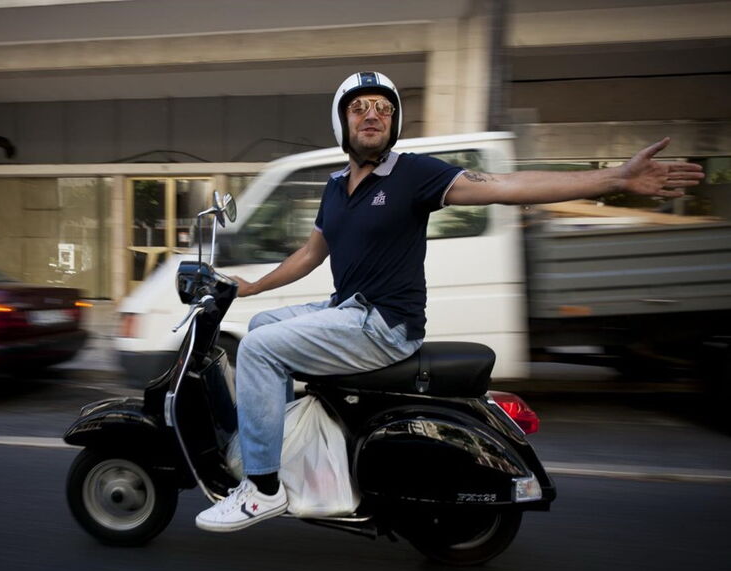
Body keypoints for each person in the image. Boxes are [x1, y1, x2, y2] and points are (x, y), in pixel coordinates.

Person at [195, 71, 703, 533]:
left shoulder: (412, 175)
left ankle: (263, 488)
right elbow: (310, 254)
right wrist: (250, 287)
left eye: (384, 108)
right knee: (260, 325)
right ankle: (284, 449)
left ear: (394, 123)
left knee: (259, 350)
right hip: (345, 310)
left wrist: (613, 178)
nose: (372, 115)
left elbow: (504, 185)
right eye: (360, 107)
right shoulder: (335, 187)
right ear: (341, 121)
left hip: (382, 325)